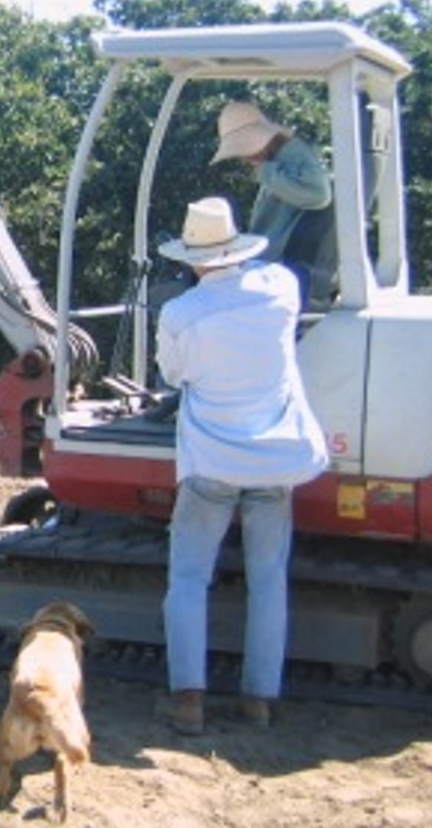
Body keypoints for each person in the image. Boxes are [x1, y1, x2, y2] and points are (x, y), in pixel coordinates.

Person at [153, 196, 329, 735]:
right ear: (237, 245)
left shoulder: (181, 313)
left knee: (187, 579)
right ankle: (258, 701)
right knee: (268, 579)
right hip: (276, 460)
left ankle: (188, 701)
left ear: (190, 257)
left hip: (211, 460)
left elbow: (171, 375)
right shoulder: (280, 289)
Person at [212, 101, 336, 308]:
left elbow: (320, 195)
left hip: (275, 267)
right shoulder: (277, 161)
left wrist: (266, 173)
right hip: (270, 264)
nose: (244, 158)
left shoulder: (292, 157)